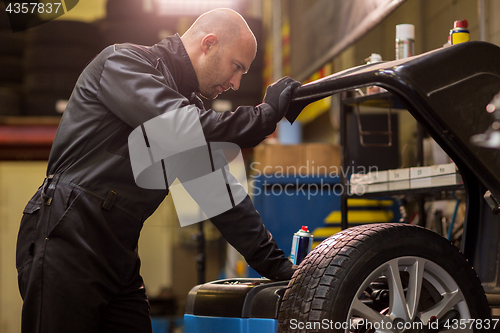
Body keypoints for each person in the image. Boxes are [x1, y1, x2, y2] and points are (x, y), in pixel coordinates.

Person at [16, 7, 301, 333]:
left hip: (118, 252)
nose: (237, 83)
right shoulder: (124, 64)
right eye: (236, 67)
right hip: (67, 232)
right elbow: (180, 126)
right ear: (208, 44)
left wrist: (284, 270)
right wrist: (266, 115)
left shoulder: (186, 109)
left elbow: (222, 199)